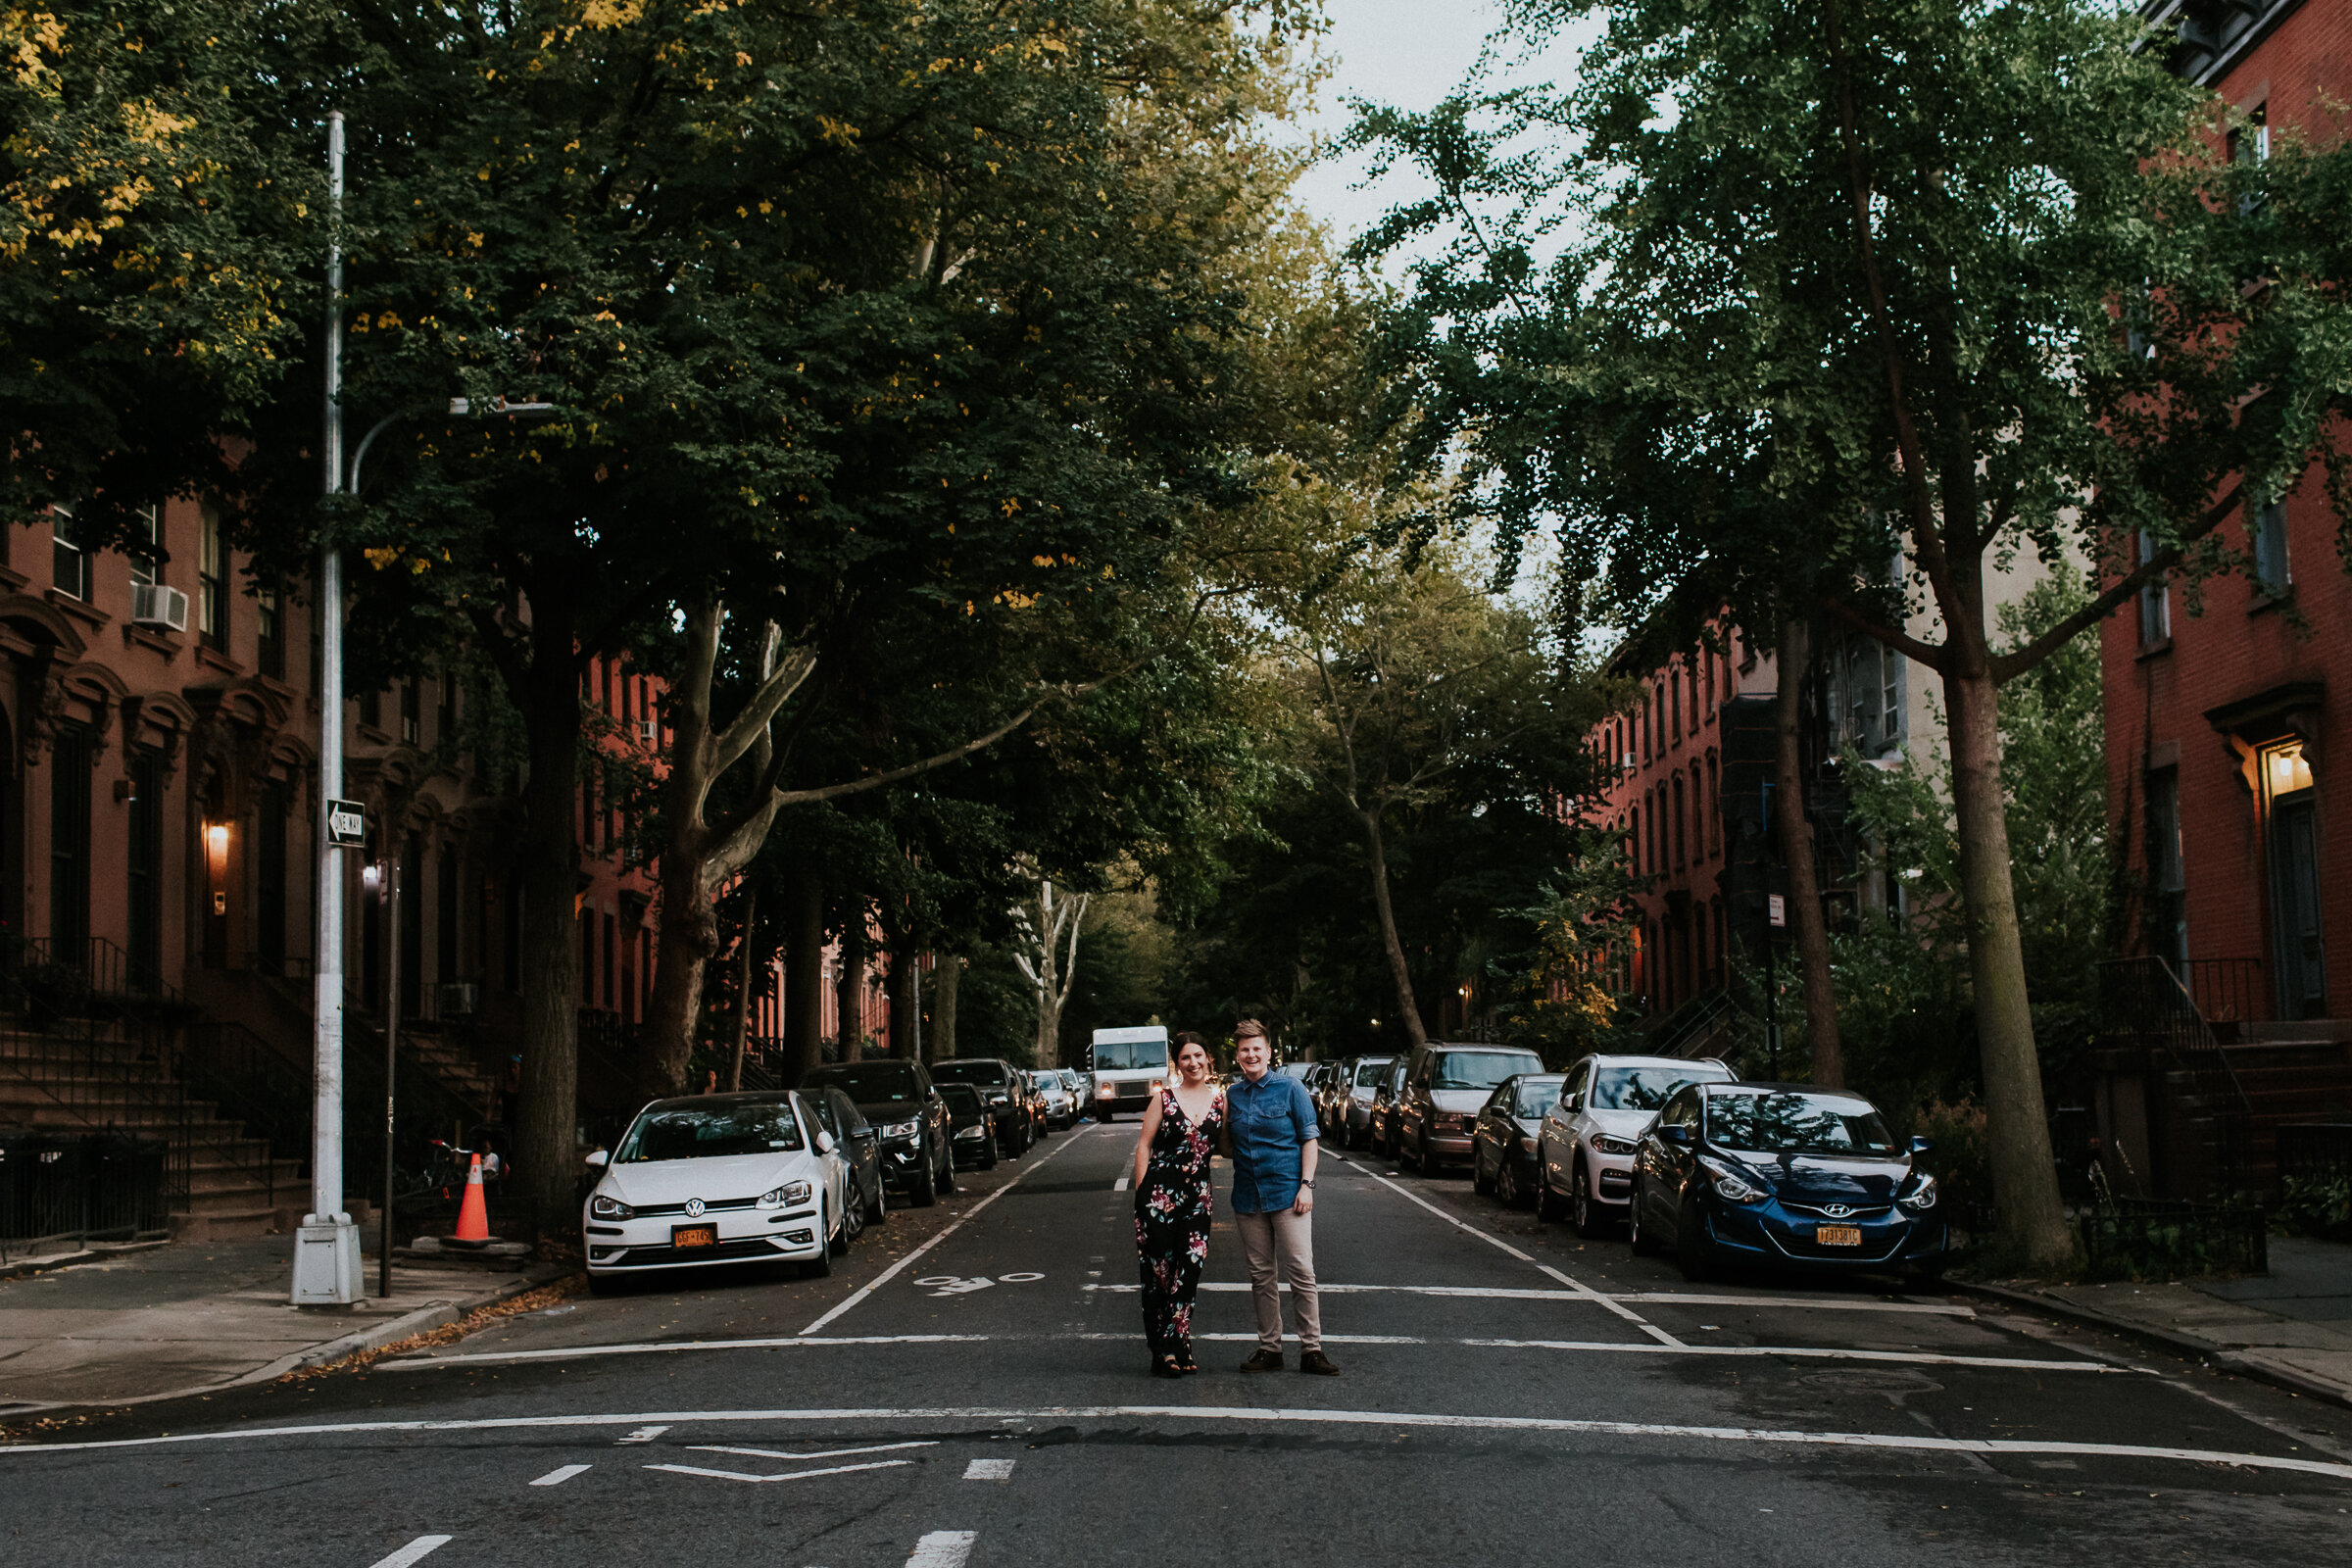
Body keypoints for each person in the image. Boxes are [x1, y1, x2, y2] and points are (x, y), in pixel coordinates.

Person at [1223, 1018, 1338, 1375]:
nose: (1251, 1054)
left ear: (1269, 1052)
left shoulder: (1291, 1088)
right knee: (1261, 1276)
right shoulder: (1232, 1095)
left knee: (1302, 1271)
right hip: (1248, 1198)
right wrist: (1222, 1119)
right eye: (1245, 1049)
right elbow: (1226, 1150)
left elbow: (1309, 1139)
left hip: (1289, 1194)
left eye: (1257, 1048)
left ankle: (1311, 1349)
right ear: (1238, 1056)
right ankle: (1270, 1348)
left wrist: (1307, 1185)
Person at [1131, 1032, 1226, 1378]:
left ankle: (1173, 1343)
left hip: (1199, 1201)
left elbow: (1228, 1146)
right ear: (1177, 1063)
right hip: (1159, 1198)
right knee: (1161, 1276)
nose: (1194, 1062)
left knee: (1189, 1273)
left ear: (1208, 1059)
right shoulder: (1164, 1099)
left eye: (1199, 1055)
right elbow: (1144, 1146)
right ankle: (1169, 1350)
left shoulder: (1220, 1102)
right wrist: (1142, 1195)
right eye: (1186, 1057)